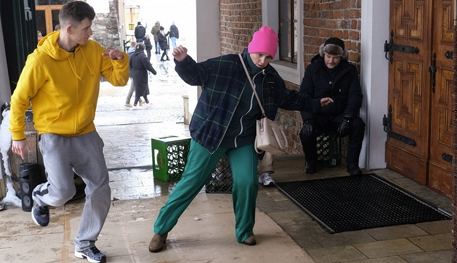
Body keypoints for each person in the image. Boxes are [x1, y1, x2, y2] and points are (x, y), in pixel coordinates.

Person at [148, 26, 333, 253]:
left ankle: (244, 231)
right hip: (212, 134)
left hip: (244, 139)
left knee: (247, 182)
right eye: (259, 54)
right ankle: (161, 230)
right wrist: (183, 61)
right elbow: (196, 75)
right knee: (190, 183)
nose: (263, 60)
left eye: (268, 57)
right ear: (251, 49)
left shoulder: (270, 77)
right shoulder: (226, 64)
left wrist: (315, 103)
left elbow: (287, 98)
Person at [8, 2, 129, 262]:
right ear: (70, 29)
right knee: (63, 193)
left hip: (86, 132)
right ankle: (41, 197)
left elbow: (119, 80)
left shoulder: (93, 51)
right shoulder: (40, 60)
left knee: (100, 188)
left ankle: (85, 243)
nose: (91, 32)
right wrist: (18, 134)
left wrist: (121, 61)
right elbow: (19, 98)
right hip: (54, 135)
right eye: (86, 28)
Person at [299, 37, 365, 176]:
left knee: (358, 124)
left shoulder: (349, 71)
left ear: (341, 57)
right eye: (328, 56)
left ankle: (352, 164)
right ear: (323, 54)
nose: (331, 61)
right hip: (319, 115)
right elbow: (304, 95)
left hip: (340, 116)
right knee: (305, 132)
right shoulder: (313, 70)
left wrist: (348, 118)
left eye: (335, 58)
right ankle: (311, 162)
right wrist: (308, 119)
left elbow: (355, 96)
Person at [125, 42, 144, 107]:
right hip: (134, 72)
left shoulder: (128, 53)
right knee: (133, 87)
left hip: (130, 72)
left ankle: (140, 100)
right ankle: (127, 101)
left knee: (135, 87)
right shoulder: (133, 54)